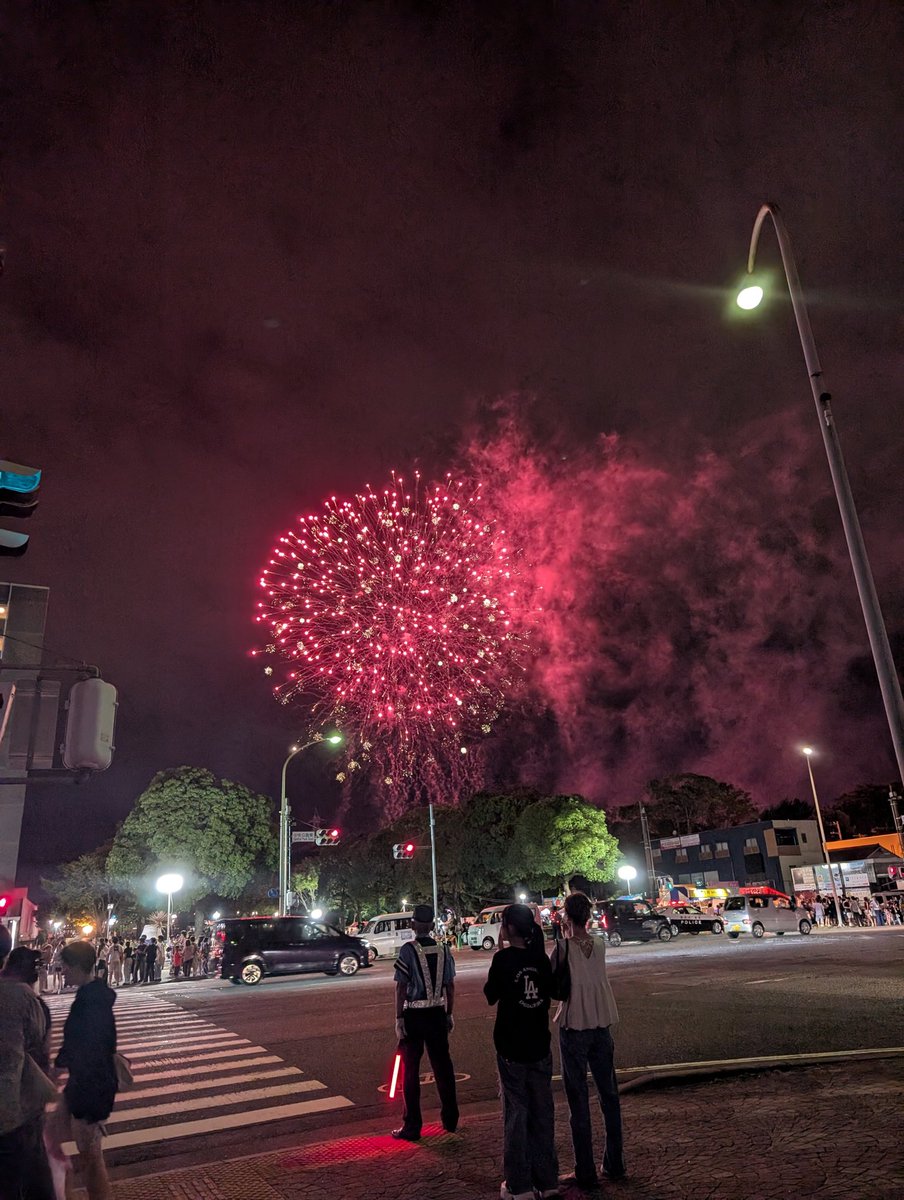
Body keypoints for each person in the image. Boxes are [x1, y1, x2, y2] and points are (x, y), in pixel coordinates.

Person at [484, 903, 559, 1200]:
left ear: (510, 928)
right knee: (543, 1113)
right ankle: (547, 1181)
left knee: (516, 1115)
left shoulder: (503, 959)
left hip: (511, 1046)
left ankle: (519, 1185)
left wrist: (501, 951)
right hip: (539, 1043)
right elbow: (552, 991)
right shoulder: (540, 958)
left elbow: (491, 995)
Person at [552, 891, 625, 1190]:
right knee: (609, 1095)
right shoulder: (600, 943)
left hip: (574, 1025)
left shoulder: (562, 947)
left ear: (567, 916)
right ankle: (615, 1163)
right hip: (601, 1022)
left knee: (578, 1099)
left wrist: (564, 935)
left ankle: (585, 1170)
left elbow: (554, 984)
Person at [53, 941, 118, 1200]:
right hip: (83, 1084)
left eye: (66, 966)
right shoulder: (93, 996)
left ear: (79, 966)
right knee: (50, 1141)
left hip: (90, 1089)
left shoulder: (90, 1002)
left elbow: (82, 1044)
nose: (63, 972)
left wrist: (57, 1069)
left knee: (91, 1160)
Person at [391, 903, 458, 1141]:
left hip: (415, 1015)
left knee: (410, 1071)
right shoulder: (444, 949)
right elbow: (450, 985)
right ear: (431, 925)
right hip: (437, 1013)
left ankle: (412, 1126)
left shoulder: (408, 950)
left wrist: (399, 1018)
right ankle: (450, 1119)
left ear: (413, 924)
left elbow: (401, 987)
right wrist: (449, 1013)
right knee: (443, 1067)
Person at [0, 926, 56, 1199]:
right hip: (16, 1112)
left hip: (16, 1113)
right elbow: (39, 1047)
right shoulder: (23, 997)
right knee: (31, 1180)